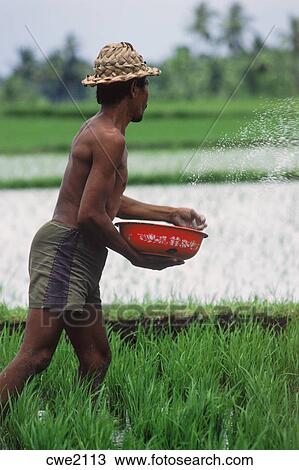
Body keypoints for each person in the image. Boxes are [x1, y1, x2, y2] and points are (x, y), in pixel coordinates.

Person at [0, 42, 207, 406]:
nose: (148, 98)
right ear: (133, 89)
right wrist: (136, 257)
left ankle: (81, 432)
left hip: (80, 251)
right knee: (36, 356)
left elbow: (106, 202)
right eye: (146, 88)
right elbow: (90, 215)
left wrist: (169, 213)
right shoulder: (108, 138)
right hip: (66, 248)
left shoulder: (104, 132)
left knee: (96, 360)